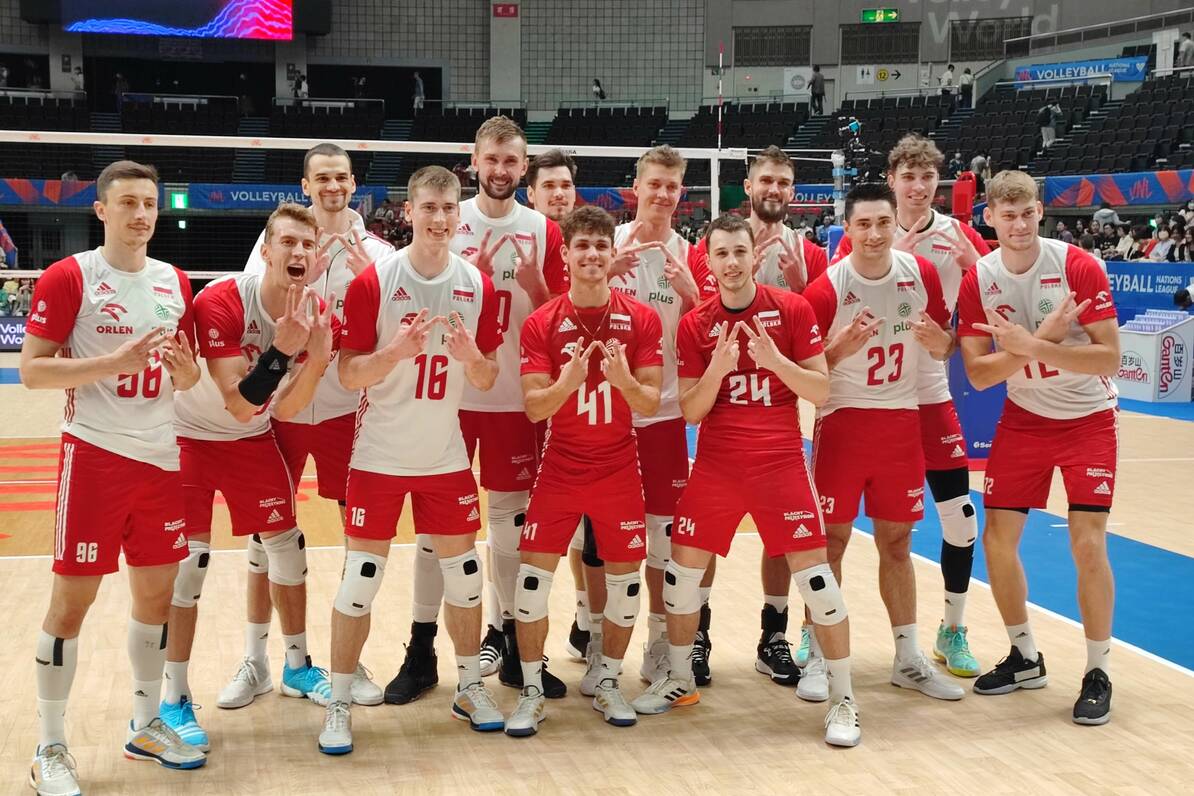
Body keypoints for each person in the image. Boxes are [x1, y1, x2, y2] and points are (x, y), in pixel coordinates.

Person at [632, 213, 861, 746]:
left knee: (818, 582)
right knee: (680, 575)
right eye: (722, 254)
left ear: (754, 255)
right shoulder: (695, 324)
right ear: (709, 262)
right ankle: (680, 679)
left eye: (740, 252)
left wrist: (775, 361)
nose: (732, 263)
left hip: (780, 464)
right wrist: (718, 367)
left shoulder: (793, 309)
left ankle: (844, 699)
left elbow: (820, 391)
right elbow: (691, 411)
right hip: (717, 465)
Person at [21, 160, 205, 794]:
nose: (141, 214)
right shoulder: (71, 276)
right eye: (127, 203)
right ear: (101, 210)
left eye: (149, 203)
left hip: (161, 458)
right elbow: (33, 371)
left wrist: (185, 372)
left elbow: (189, 378)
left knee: (155, 600)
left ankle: (146, 723)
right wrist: (111, 362)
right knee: (71, 605)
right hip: (95, 456)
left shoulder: (175, 281)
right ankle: (49, 746)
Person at [385, 115, 569, 706]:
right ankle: (421, 651)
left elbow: (562, 317)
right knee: (435, 532)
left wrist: (533, 286)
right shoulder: (447, 219)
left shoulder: (543, 230)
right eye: (492, 159)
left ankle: (513, 643)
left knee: (511, 527)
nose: (501, 170)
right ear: (474, 160)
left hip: (516, 396)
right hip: (450, 399)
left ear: (524, 165)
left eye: (511, 160)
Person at [321, 165, 505, 754]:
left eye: (449, 209)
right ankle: (340, 702)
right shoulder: (374, 282)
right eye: (428, 208)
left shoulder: (477, 285)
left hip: (444, 457)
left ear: (459, 216)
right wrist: (393, 354)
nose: (439, 219)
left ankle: (469, 688)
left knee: (466, 581)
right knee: (359, 583)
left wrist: (472, 357)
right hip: (379, 454)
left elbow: (487, 376)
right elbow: (349, 374)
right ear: (409, 212)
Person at [165, 204, 338, 750]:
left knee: (287, 545)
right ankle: (173, 697)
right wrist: (285, 348)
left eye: (307, 245)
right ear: (265, 251)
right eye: (287, 242)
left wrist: (317, 359)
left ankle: (295, 666)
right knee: (188, 565)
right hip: (192, 434)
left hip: (252, 439)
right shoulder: (221, 300)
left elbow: (283, 408)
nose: (298, 252)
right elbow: (237, 403)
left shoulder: (314, 311)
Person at [956, 169, 1119, 725]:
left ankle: (1097, 670)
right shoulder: (979, 278)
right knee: (997, 541)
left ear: (1040, 212)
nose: (1020, 225)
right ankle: (1025, 655)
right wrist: (1040, 341)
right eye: (1008, 216)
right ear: (990, 218)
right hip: (1024, 418)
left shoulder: (1077, 265)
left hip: (1087, 417)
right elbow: (979, 375)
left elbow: (1109, 357)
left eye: (1027, 213)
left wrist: (1032, 344)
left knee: (1087, 544)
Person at [239, 143, 394, 710]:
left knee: (361, 538)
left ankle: (349, 663)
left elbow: (394, 330)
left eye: (341, 177)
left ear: (354, 184)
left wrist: (367, 278)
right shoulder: (277, 244)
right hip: (279, 409)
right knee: (265, 535)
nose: (333, 186)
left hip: (346, 412)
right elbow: (256, 315)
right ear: (305, 185)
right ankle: (257, 661)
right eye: (322, 178)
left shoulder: (380, 252)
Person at [831, 134, 991, 680]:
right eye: (909, 177)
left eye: (927, 177)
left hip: (928, 389)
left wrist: (977, 266)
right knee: (835, 529)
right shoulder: (866, 233)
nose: (919, 187)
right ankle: (815, 632)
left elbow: (996, 302)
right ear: (892, 181)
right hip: (869, 398)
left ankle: (952, 630)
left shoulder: (958, 237)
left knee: (961, 520)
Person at [802, 181, 966, 703]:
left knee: (897, 544)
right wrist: (835, 350)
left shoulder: (920, 273)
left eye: (882, 223)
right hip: (844, 423)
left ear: (896, 224)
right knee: (830, 544)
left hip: (901, 423)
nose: (874, 234)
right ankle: (819, 654)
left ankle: (907, 658)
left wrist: (944, 344)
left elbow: (944, 344)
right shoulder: (827, 288)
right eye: (863, 224)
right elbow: (803, 372)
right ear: (847, 229)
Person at [504, 205, 664, 736]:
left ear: (611, 254)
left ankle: (609, 680)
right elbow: (534, 408)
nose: (592, 255)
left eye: (600, 246)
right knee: (531, 582)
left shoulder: (641, 318)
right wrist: (567, 383)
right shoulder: (542, 323)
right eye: (582, 246)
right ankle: (531, 691)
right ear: (567, 255)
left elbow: (649, 401)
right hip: (561, 467)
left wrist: (622, 380)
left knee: (624, 586)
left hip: (618, 468)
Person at [606, 146, 709, 690]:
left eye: (672, 186)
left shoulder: (691, 255)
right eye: (655, 184)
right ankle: (597, 641)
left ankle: (659, 645)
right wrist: (604, 274)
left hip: (664, 415)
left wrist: (692, 298)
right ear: (636, 188)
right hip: (606, 417)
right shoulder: (609, 244)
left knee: (663, 541)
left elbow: (708, 334)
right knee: (605, 540)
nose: (664, 195)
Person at [525, 148, 595, 661]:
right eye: (548, 186)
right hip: (531, 398)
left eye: (565, 185)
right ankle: (513, 636)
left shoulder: (593, 244)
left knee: (590, 525)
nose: (558, 194)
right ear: (531, 193)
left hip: (592, 406)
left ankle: (586, 620)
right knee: (528, 525)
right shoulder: (524, 238)